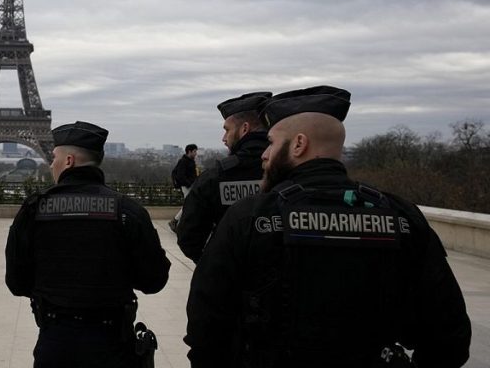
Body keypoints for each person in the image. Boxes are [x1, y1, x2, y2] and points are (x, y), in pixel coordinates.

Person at [185, 86, 472, 367]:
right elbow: (449, 335)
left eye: (271, 143)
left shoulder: (250, 218)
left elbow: (206, 327)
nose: (264, 154)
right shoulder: (401, 217)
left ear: (299, 144)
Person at [5, 121, 171, 368]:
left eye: (54, 158)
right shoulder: (127, 211)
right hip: (112, 340)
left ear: (69, 161)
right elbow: (153, 280)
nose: (51, 164)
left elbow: (17, 283)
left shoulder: (34, 210)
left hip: (56, 338)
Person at [176, 92, 271, 262]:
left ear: (244, 129)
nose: (224, 138)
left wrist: (216, 265)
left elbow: (188, 237)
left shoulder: (215, 177)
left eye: (227, 130)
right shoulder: (289, 172)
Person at [167, 143, 198, 233]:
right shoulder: (184, 161)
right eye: (195, 151)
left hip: (189, 185)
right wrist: (189, 184)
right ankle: (175, 221)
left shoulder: (189, 161)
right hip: (186, 186)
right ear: (189, 151)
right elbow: (181, 175)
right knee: (189, 204)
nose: (196, 153)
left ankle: (178, 222)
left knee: (189, 204)